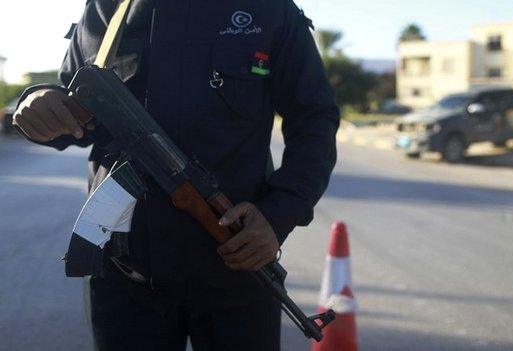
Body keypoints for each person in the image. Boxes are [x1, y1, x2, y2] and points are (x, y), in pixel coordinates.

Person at [12, 1, 339, 350]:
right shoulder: (109, 8)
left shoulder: (268, 11)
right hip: (127, 282)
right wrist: (37, 102)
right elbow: (74, 106)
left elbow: (314, 119)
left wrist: (278, 214)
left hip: (236, 267)